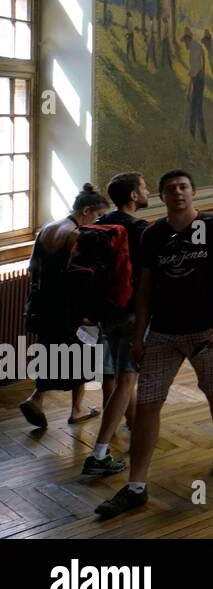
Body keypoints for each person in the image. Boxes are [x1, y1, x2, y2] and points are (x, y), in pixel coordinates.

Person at [94, 170, 213, 519]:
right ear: (160, 195)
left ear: (193, 192)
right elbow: (144, 288)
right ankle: (136, 485)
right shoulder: (153, 234)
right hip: (163, 333)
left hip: (205, 332)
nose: (178, 193)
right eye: (170, 188)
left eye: (184, 187)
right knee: (148, 403)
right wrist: (140, 335)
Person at [19, 184, 113, 432]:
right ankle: (76, 410)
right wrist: (89, 311)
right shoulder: (76, 234)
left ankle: (37, 399)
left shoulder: (47, 229)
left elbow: (34, 269)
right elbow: (80, 278)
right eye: (97, 215)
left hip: (44, 304)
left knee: (52, 352)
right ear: (86, 210)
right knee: (81, 353)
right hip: (68, 306)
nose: (98, 221)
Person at [84, 173, 151, 476]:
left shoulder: (99, 225)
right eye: (145, 187)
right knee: (125, 380)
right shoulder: (140, 229)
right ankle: (98, 453)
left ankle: (136, 427)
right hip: (131, 314)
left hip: (106, 312)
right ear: (134, 196)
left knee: (122, 377)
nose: (147, 190)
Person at [182, 28, 207, 144]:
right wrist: (203, 68)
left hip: (198, 79)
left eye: (185, 42)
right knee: (195, 106)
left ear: (188, 39)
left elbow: (193, 71)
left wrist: (188, 88)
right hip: (199, 77)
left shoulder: (193, 48)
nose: (184, 45)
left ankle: (200, 134)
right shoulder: (196, 45)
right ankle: (195, 132)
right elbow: (202, 53)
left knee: (197, 107)